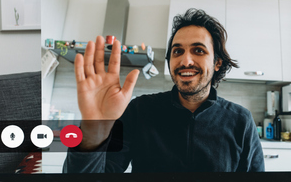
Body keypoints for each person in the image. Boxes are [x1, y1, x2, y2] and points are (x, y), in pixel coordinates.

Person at [65, 9, 264, 173]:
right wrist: (92, 132)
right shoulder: (139, 110)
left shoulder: (240, 121)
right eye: (178, 51)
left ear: (217, 63)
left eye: (198, 50)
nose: (186, 61)